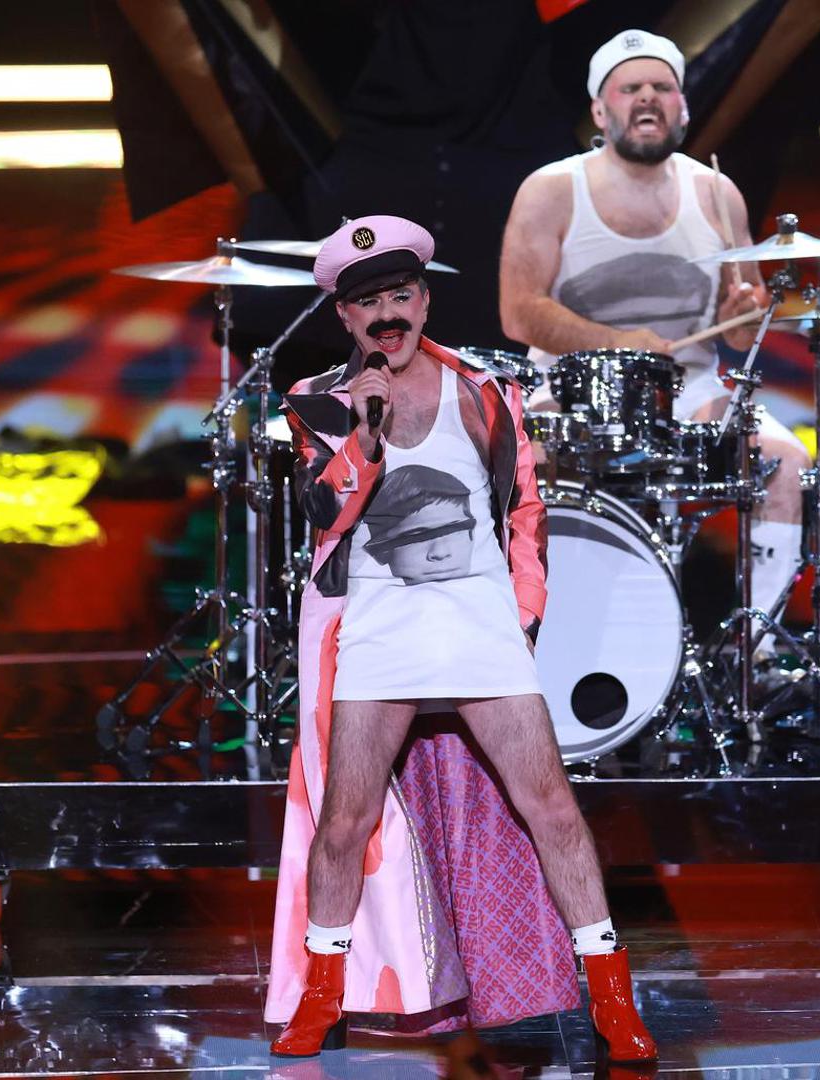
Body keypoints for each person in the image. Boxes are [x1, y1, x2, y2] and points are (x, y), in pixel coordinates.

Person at [266, 215, 656, 1063]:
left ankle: (612, 996)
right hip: (377, 623)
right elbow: (324, 512)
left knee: (552, 807)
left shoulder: (485, 390)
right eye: (369, 304)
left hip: (479, 621)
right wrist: (363, 433)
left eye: (400, 296)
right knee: (345, 822)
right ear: (345, 315)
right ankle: (319, 995)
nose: (388, 316)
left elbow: (526, 510)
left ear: (423, 300)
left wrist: (523, 613)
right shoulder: (316, 400)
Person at [498, 28, 811, 666]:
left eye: (662, 87)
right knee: (519, 462)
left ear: (683, 107)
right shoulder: (552, 189)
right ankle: (530, 646)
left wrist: (742, 315)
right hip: (572, 390)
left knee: (785, 460)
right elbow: (517, 311)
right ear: (599, 110)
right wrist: (620, 343)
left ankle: (754, 655)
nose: (647, 97)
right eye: (630, 88)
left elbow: (741, 331)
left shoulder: (716, 193)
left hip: (687, 392)